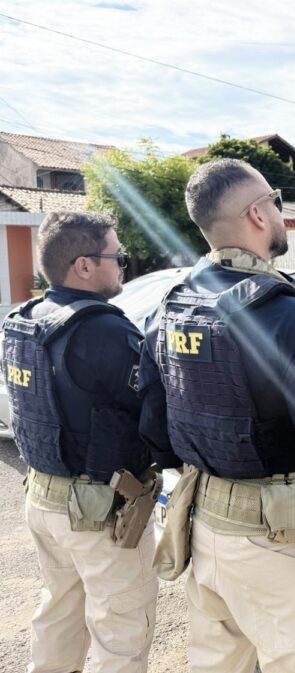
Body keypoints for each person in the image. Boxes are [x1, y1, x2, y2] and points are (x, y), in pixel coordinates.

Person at [139, 158, 295, 673]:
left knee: (218, 663)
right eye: (276, 200)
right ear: (256, 215)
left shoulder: (172, 304)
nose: (280, 212)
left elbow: (155, 430)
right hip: (273, 541)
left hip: (202, 526)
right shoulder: (283, 313)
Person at [2, 212, 158, 673]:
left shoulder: (23, 319)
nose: (123, 266)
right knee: (121, 634)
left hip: (42, 496)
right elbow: (151, 412)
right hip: (97, 510)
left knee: (58, 616)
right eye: (118, 256)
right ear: (85, 266)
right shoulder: (103, 330)